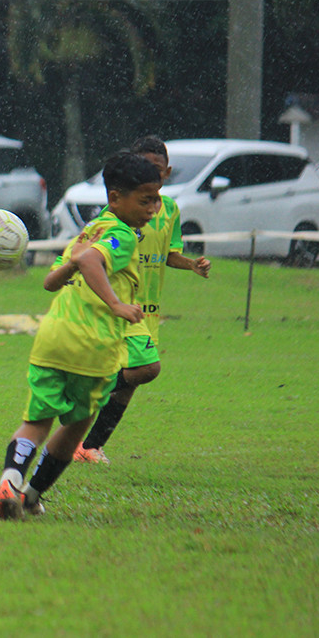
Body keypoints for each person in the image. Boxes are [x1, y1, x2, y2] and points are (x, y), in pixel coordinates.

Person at [0, 151, 161, 520]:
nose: (153, 208)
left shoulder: (88, 231)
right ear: (115, 197)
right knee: (76, 426)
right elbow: (89, 261)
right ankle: (31, 496)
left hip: (53, 339)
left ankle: (10, 480)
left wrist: (75, 260)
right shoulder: (121, 235)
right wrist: (116, 304)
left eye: (156, 199)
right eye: (145, 200)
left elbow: (51, 281)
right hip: (92, 345)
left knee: (36, 421)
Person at [75, 136, 211, 464]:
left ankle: (90, 446)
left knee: (129, 382)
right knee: (145, 369)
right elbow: (91, 256)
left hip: (148, 311)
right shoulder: (118, 213)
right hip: (121, 305)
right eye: (145, 167)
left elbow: (169, 254)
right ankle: (84, 400)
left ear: (168, 171)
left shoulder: (170, 209)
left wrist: (191, 264)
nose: (152, 174)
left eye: (158, 169)